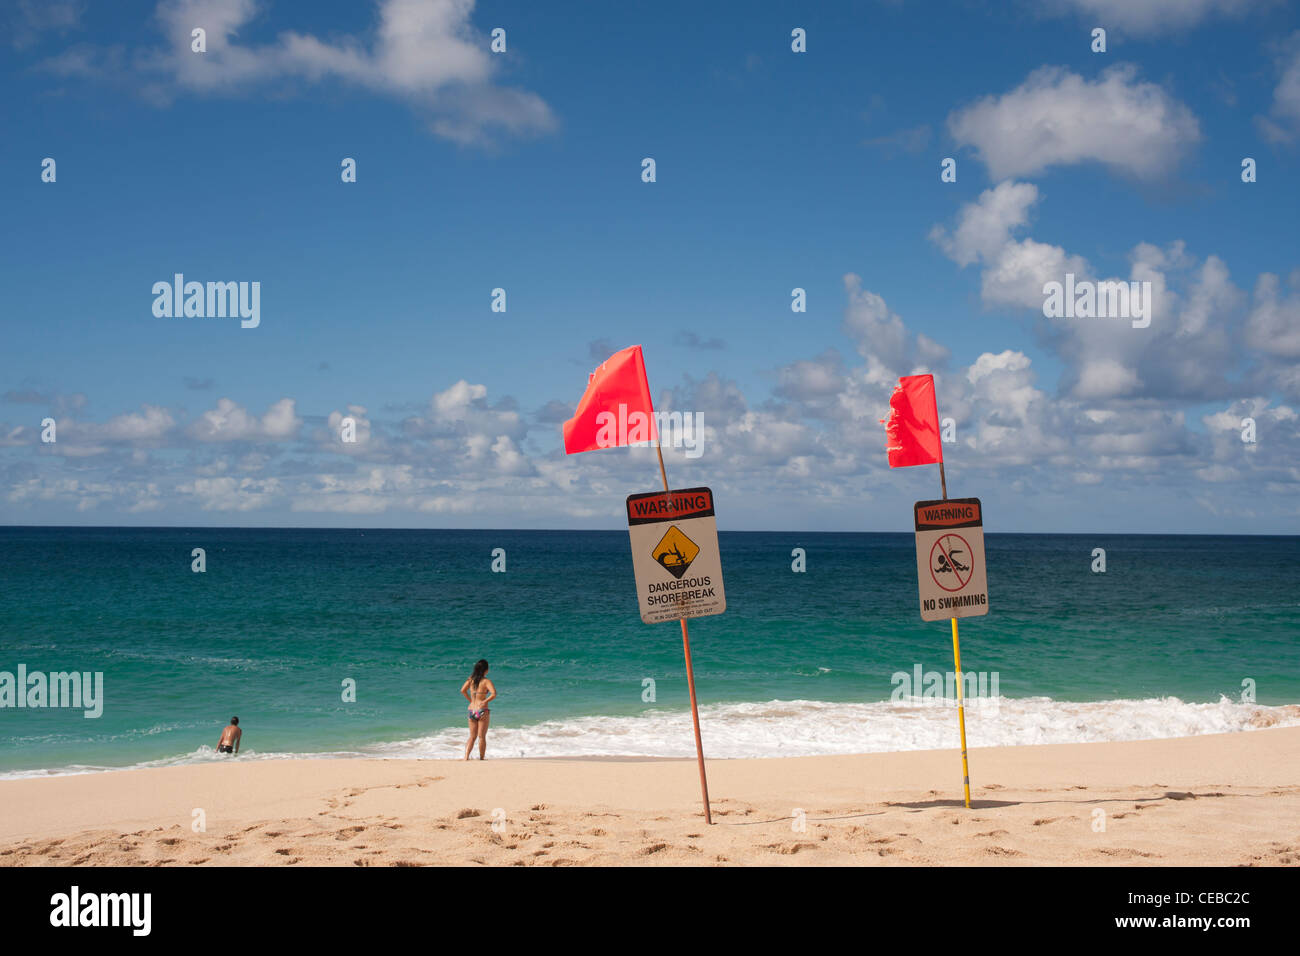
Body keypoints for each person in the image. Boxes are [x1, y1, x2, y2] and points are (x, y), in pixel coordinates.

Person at [460, 660, 496, 760]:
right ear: (486, 670)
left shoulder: (470, 680)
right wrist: (485, 701)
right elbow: (494, 694)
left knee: (472, 736)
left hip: (471, 710)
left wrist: (471, 700)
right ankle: (481, 758)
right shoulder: (486, 681)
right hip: (482, 710)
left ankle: (466, 757)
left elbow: (462, 690)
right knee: (481, 736)